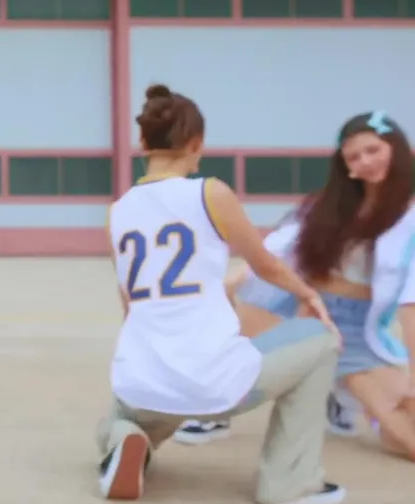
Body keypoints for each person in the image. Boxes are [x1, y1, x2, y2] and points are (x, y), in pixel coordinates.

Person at [99, 84, 345, 504]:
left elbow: (130, 306)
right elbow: (266, 265)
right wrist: (310, 295)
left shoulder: (118, 211)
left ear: (143, 142)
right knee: (322, 342)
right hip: (215, 385)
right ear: (196, 144)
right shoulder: (209, 193)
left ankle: (124, 438)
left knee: (120, 416)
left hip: (144, 380)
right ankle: (289, 482)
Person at [174, 111, 415, 457]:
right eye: (353, 157)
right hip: (303, 306)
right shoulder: (331, 205)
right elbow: (280, 246)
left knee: (408, 440)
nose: (365, 161)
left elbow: (411, 306)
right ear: (346, 167)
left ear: (396, 148)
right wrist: (234, 280)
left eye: (373, 150)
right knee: (235, 337)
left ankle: (337, 390)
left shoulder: (410, 215)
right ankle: (216, 409)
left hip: (357, 331)